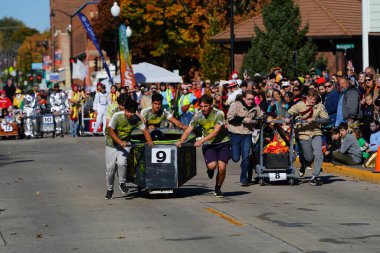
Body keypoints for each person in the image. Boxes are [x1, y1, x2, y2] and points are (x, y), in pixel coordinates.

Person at [176, 94, 230, 197]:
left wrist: (201, 141)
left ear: (211, 105)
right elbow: (188, 130)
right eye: (201, 106)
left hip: (223, 142)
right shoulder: (198, 116)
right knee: (212, 166)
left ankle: (218, 187)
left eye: (205, 106)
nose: (203, 109)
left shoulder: (219, 114)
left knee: (222, 168)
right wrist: (181, 141)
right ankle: (210, 170)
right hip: (209, 145)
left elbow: (216, 132)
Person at [105, 99, 153, 199]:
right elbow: (110, 131)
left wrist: (150, 142)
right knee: (110, 169)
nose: (130, 114)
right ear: (125, 110)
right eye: (128, 111)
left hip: (125, 144)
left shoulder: (136, 119)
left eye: (132, 112)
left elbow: (145, 131)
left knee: (122, 163)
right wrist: (119, 142)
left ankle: (122, 183)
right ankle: (110, 189)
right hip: (111, 144)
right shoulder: (117, 116)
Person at [286, 89, 329, 186]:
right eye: (310, 99)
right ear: (307, 97)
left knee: (318, 154)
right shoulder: (300, 104)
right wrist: (287, 117)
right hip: (303, 133)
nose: (312, 101)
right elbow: (289, 112)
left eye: (314, 99)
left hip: (315, 132)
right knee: (308, 157)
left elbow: (326, 119)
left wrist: (315, 119)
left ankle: (315, 176)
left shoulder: (320, 106)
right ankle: (304, 164)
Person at [227, 90, 263, 186]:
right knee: (235, 158)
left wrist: (267, 118)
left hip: (247, 134)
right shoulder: (236, 105)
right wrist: (243, 120)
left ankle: (244, 178)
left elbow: (261, 116)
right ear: (243, 98)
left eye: (252, 99)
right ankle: (228, 152)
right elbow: (230, 118)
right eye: (248, 99)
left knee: (246, 156)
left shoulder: (256, 107)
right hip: (235, 133)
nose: (250, 101)